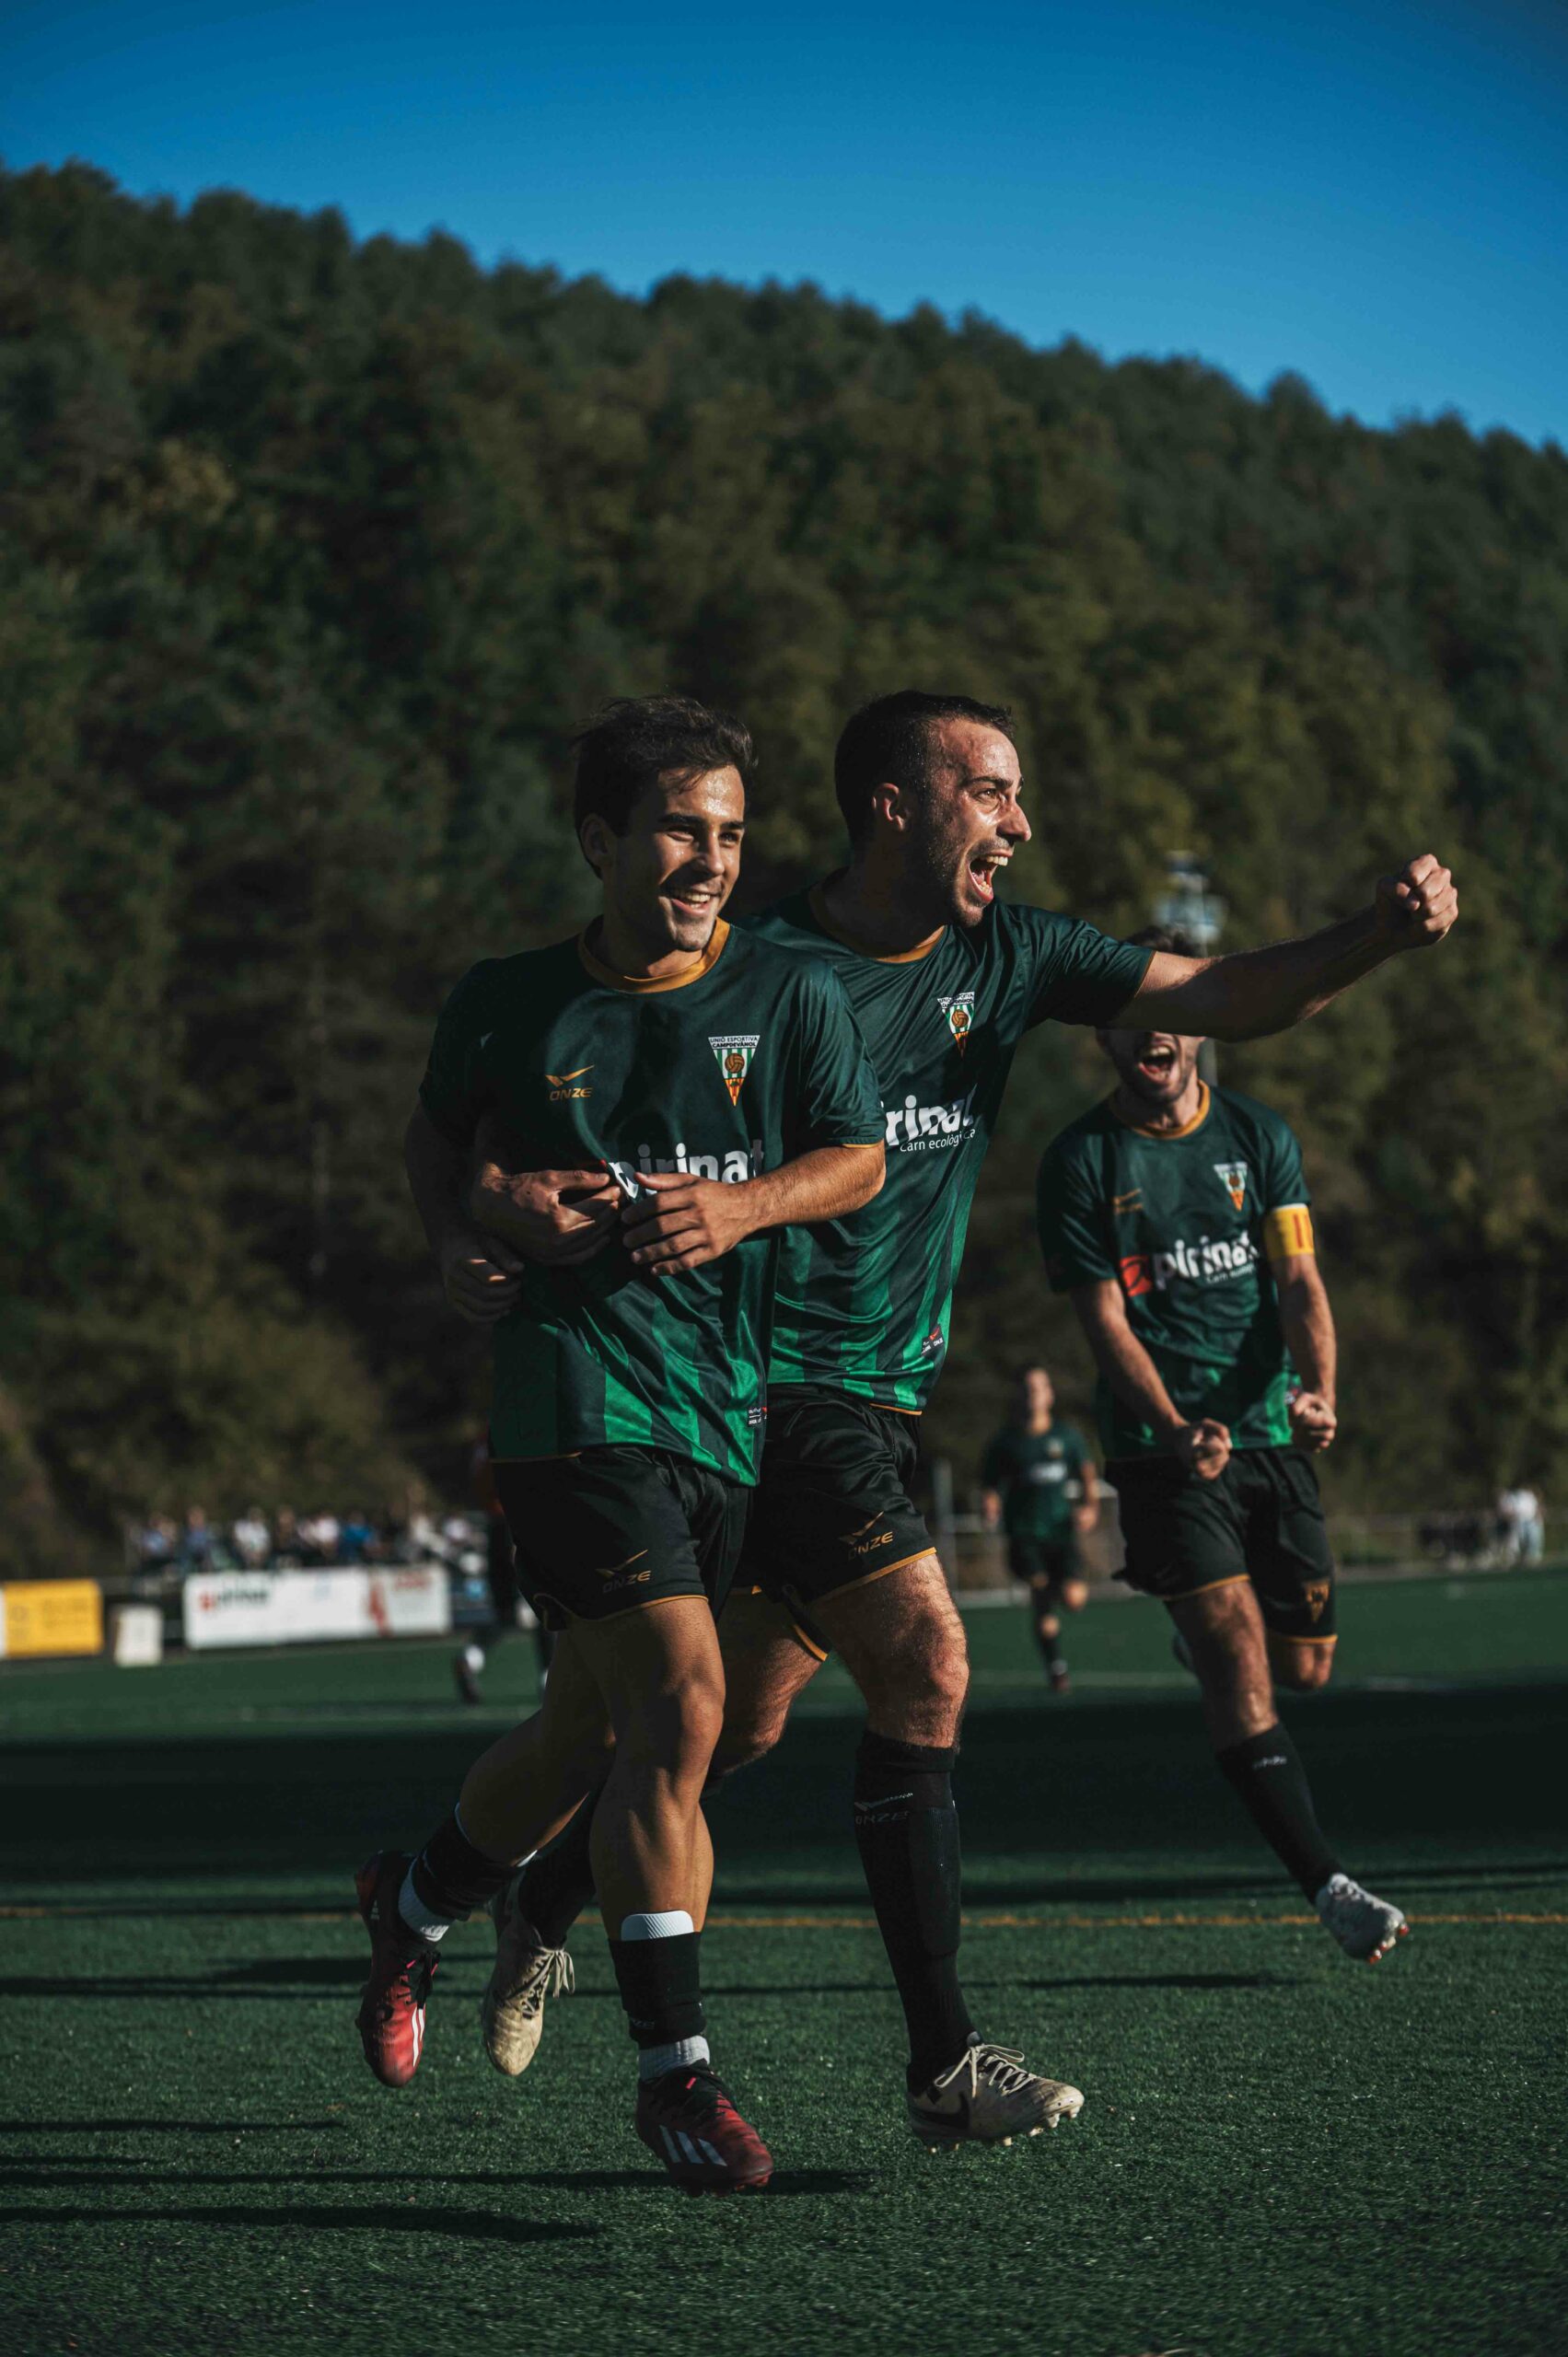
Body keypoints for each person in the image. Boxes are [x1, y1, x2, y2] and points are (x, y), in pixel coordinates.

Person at [471, 690, 1453, 2142]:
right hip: (754, 1387)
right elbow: (587, 1121)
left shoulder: (1014, 953)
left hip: (876, 1401)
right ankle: (939, 2067)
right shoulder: (752, 963)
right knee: (927, 1665)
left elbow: (1223, 993)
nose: (1018, 823)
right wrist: (497, 1221)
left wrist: (1371, 937)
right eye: (989, 792)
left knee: (729, 1731)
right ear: (893, 805)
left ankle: (520, 1900)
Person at [353, 695, 885, 2194]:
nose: (709, 860)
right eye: (676, 830)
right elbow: (435, 1141)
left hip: (721, 1411)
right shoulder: (508, 1001)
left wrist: (744, 1204)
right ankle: (675, 2077)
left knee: (589, 1737)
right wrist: (460, 1236)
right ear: (598, 840)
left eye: (729, 833)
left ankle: (414, 1900)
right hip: (567, 1407)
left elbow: (855, 1159)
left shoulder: (789, 993)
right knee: (687, 1700)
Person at [1037, 924, 1413, 1965]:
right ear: (1101, 1035)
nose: (1148, 1033)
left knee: (1306, 1669)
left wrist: (1318, 1391)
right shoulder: (1078, 1162)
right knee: (1238, 1659)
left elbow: (1297, 1280)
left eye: (1168, 1010)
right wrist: (1171, 1426)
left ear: (1201, 1024)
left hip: (1269, 1438)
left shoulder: (1257, 1137)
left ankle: (1204, 1638)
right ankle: (1328, 1885)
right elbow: (1103, 1321)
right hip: (1162, 1453)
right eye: (1126, 1016)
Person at [980, 1365, 1098, 1692]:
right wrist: (990, 1504)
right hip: (1024, 1535)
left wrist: (1089, 1507)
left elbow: (1087, 1475)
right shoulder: (1006, 1442)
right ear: (1019, 1395)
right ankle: (1056, 1667)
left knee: (1074, 1599)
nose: (1033, 1394)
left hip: (1061, 1533)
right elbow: (990, 1485)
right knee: (1041, 1593)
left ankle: (1056, 1594)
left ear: (1050, 1394)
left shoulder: (1066, 1437)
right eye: (1027, 1387)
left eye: (1039, 1387)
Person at [454, 1437, 555, 1704]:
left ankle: (471, 1658)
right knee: (547, 1605)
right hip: (516, 1523)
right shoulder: (509, 1435)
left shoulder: (481, 1445)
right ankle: (548, 1678)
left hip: (496, 1528)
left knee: (506, 1614)